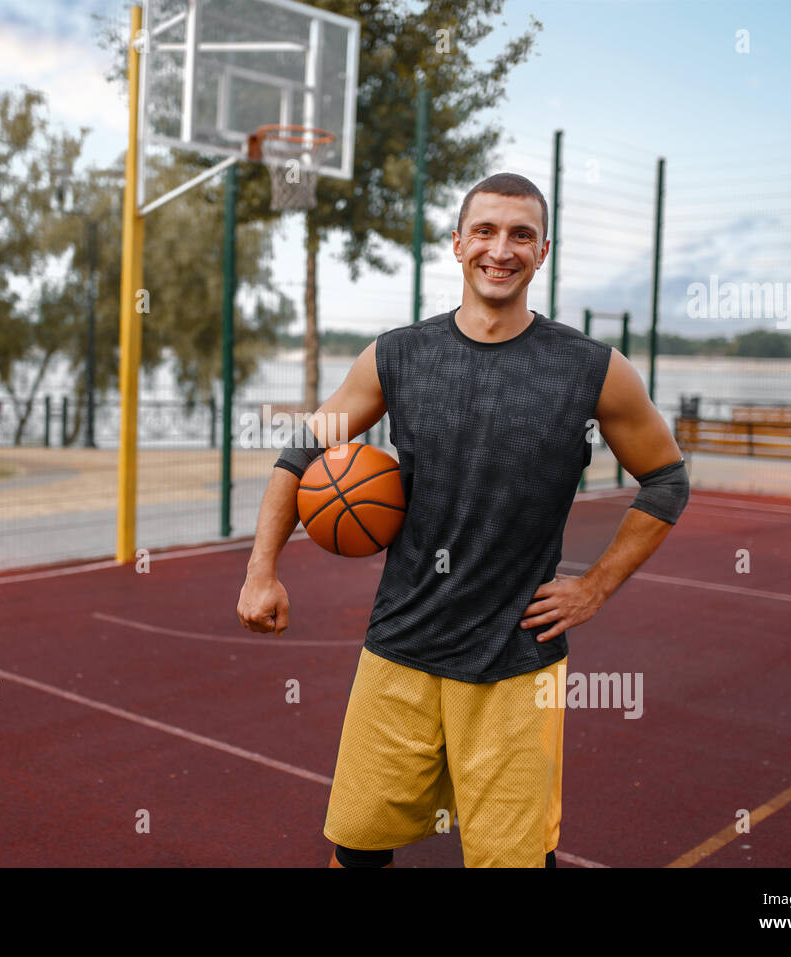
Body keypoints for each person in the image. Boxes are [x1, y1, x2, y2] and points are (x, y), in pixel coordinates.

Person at [236, 172, 688, 868]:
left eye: (520, 235)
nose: (500, 249)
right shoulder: (399, 354)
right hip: (400, 648)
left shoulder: (592, 369)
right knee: (357, 849)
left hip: (514, 662)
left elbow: (666, 478)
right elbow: (303, 447)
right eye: (485, 230)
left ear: (543, 252)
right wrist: (261, 569)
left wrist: (594, 586)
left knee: (512, 860)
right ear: (457, 243)